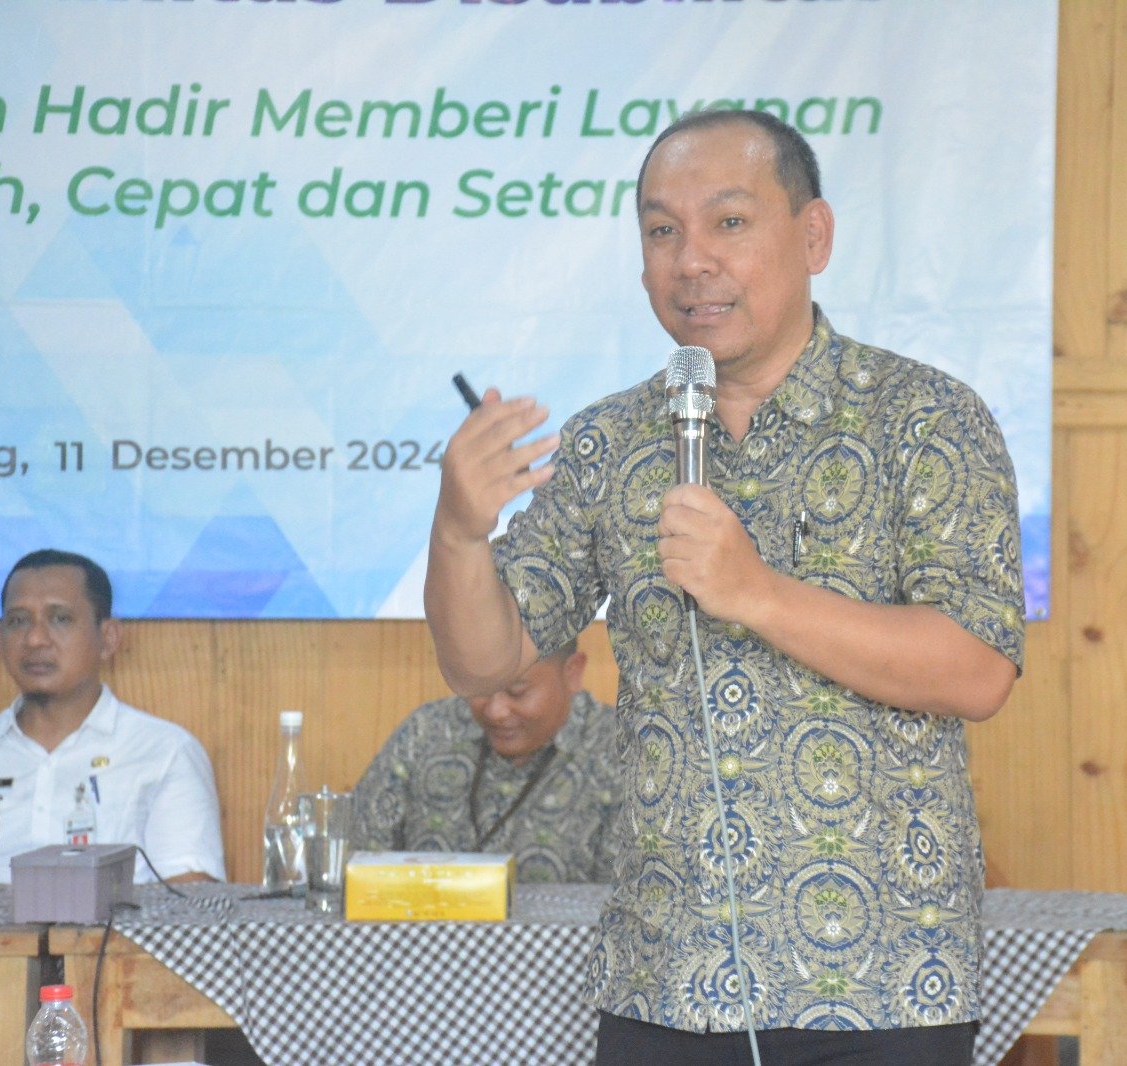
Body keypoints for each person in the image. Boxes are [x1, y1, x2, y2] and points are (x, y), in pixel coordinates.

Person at [424, 109, 1023, 1065]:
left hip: (881, 987)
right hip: (662, 981)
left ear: (814, 236)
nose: (691, 260)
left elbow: (980, 668)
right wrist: (459, 531)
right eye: (662, 231)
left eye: (729, 223)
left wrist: (758, 594)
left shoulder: (925, 419)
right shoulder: (611, 440)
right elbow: (484, 660)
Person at [0, 548, 226, 887]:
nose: (35, 639)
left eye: (60, 618)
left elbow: (190, 900)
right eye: (18, 621)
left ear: (108, 639)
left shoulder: (164, 753)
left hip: (116, 925)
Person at [350, 641, 622, 883]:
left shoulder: (619, 755)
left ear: (572, 672)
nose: (495, 711)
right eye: (481, 687)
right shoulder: (427, 732)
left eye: (517, 692)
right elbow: (356, 860)